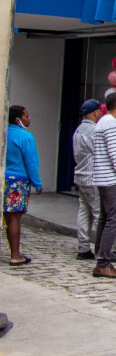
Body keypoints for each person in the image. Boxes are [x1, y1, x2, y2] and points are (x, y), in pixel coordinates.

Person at [91, 94, 116, 278]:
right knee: (114, 219)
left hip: (102, 176)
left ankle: (101, 253)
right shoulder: (112, 124)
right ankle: (103, 262)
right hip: (110, 178)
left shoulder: (103, 122)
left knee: (105, 218)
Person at [4, 106, 41, 266]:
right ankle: (15, 255)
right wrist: (37, 183)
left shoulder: (4, 132)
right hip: (17, 182)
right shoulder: (26, 137)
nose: (29, 118)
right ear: (18, 119)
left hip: (3, 178)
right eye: (26, 116)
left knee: (6, 217)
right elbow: (31, 163)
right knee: (14, 218)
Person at [72, 99, 103, 259]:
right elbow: (99, 152)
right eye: (99, 110)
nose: (101, 113)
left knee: (84, 211)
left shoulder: (79, 129)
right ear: (94, 113)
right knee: (98, 213)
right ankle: (101, 249)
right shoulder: (93, 130)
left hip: (81, 174)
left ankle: (83, 246)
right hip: (92, 176)